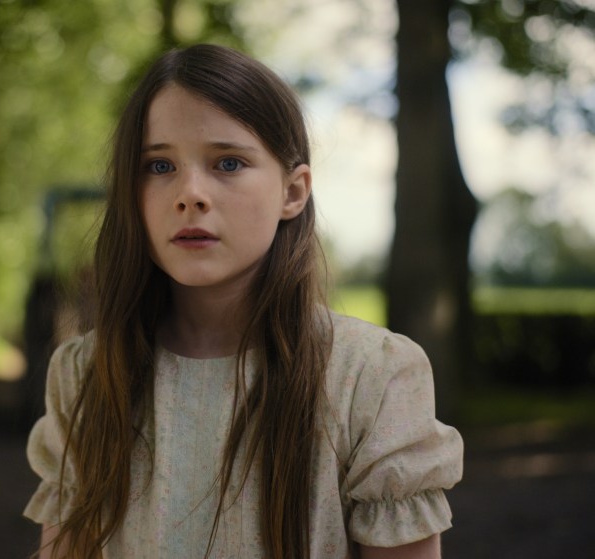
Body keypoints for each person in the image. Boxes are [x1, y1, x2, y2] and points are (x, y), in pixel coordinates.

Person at [23, 43, 463, 559]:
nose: (190, 193)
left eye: (228, 163)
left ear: (293, 192)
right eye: (159, 165)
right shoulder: (87, 375)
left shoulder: (371, 378)